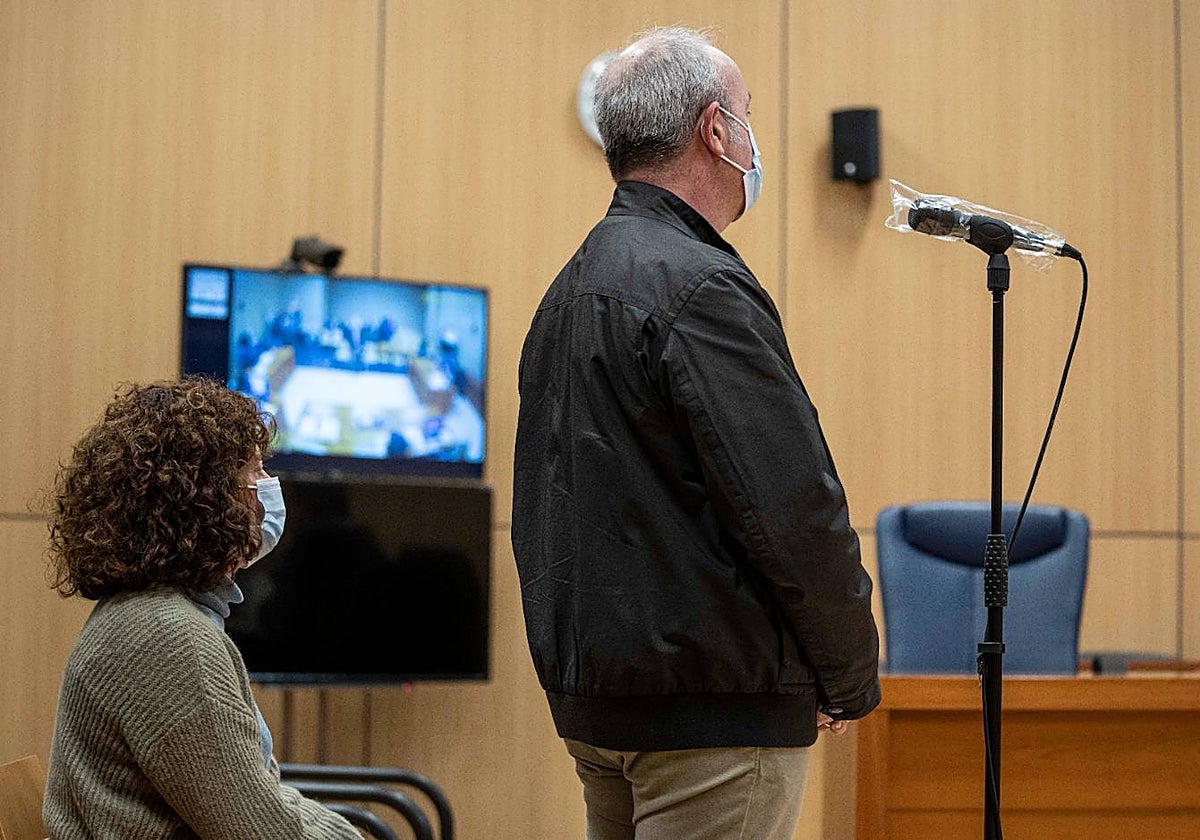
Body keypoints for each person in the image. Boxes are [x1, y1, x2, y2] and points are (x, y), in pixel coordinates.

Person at [511, 26, 881, 839]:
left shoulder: (565, 293)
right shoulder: (701, 287)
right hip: (714, 716)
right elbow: (790, 507)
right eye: (749, 114)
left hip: (597, 706)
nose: (754, 138)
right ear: (717, 130)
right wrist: (849, 674)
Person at [43, 377, 358, 839]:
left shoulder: (152, 616)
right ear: (200, 499)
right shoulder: (167, 638)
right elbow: (261, 830)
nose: (268, 489)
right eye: (253, 471)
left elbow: (259, 797)